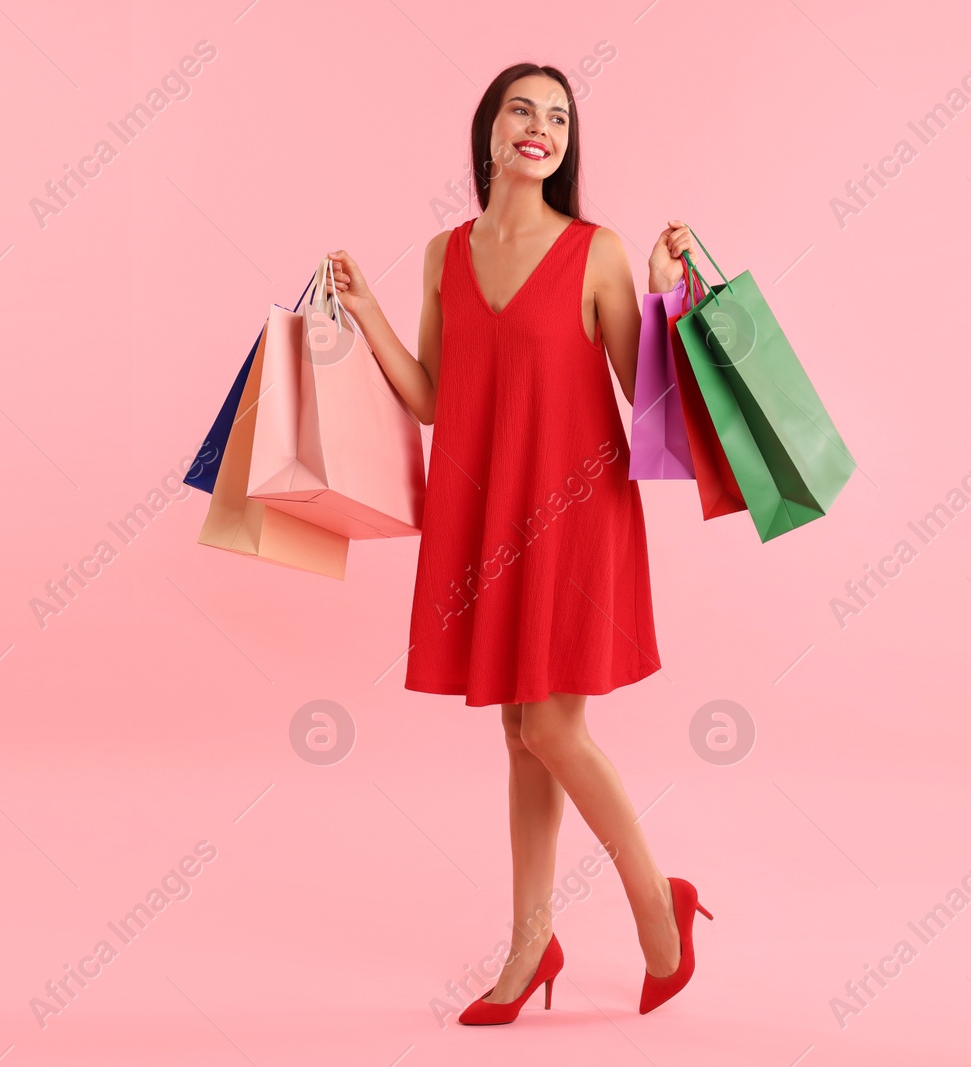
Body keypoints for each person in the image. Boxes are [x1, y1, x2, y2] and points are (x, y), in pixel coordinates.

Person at [325, 61, 711, 1023]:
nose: (541, 128)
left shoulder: (597, 251)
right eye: (522, 111)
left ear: (567, 144)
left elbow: (646, 396)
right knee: (517, 733)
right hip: (488, 512)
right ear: (489, 131)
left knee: (550, 727)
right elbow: (433, 399)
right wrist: (368, 311)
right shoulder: (442, 254)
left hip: (577, 515)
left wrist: (667, 295)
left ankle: (659, 901)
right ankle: (532, 940)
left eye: (559, 117)